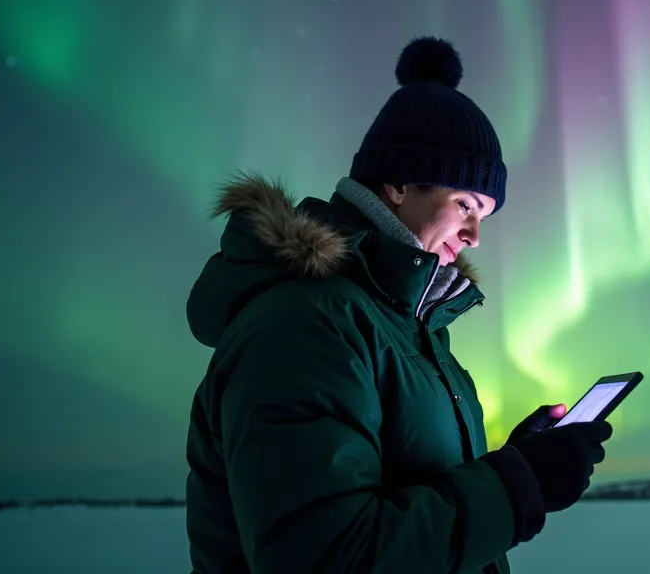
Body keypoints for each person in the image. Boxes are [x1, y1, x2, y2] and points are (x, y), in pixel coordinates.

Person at [183, 37, 614, 573]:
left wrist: (512, 461)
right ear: (397, 183)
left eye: (487, 214)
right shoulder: (306, 323)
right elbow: (326, 557)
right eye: (465, 204)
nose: (476, 235)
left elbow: (409, 488)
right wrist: (515, 486)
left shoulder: (401, 325)